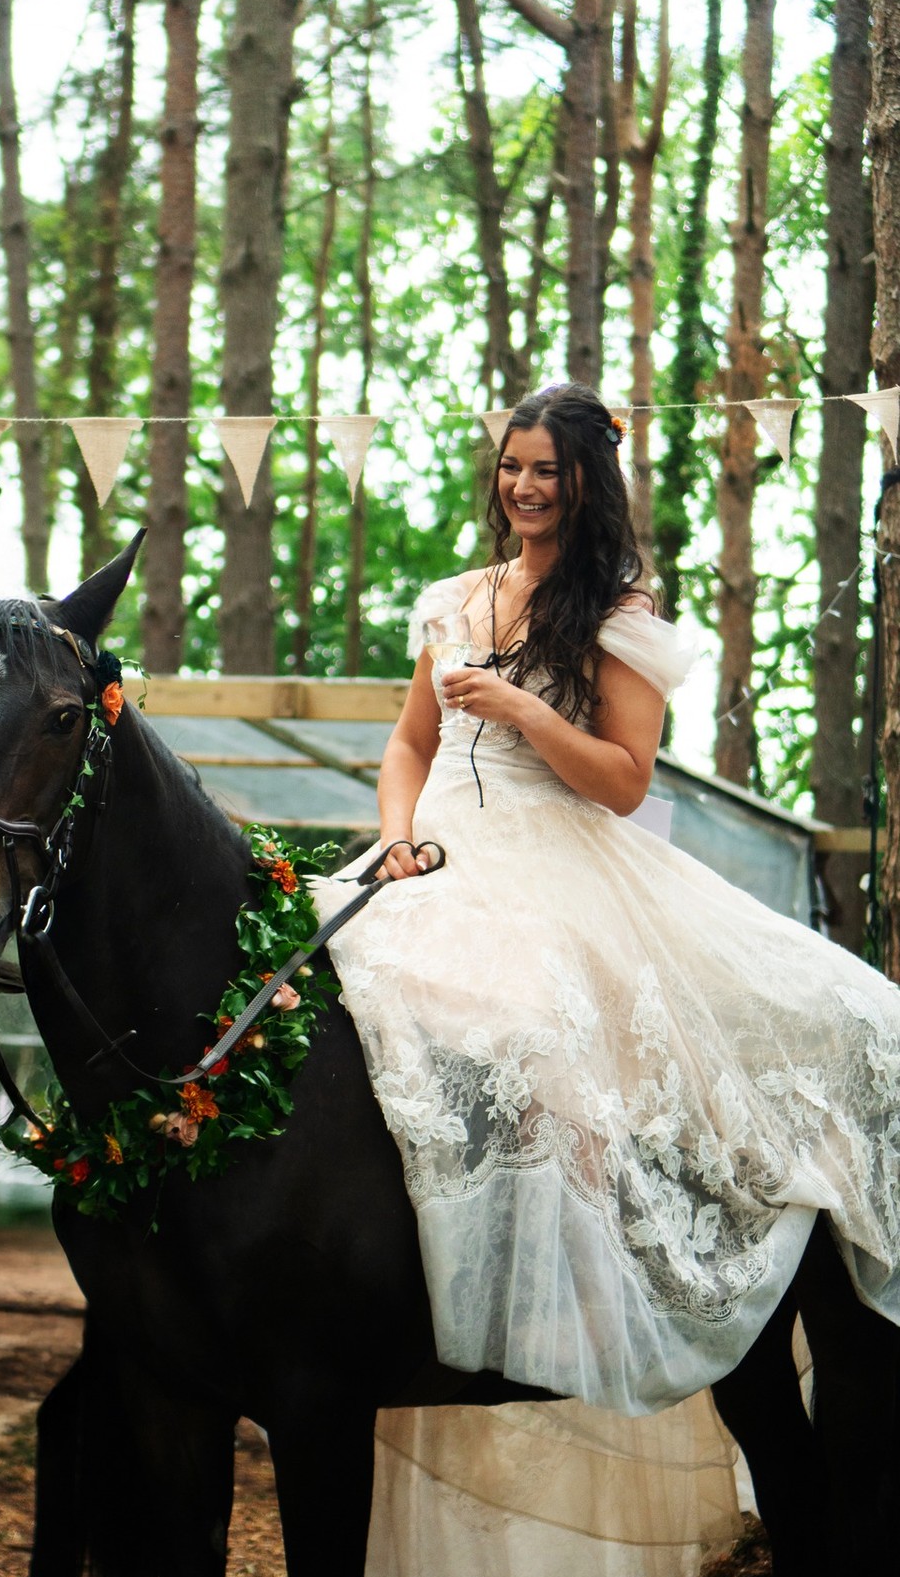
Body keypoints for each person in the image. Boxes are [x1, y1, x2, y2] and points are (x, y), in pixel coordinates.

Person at [313, 381, 900, 1421]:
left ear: (588, 480)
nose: (525, 486)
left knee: (538, 1029)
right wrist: (397, 837)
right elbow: (409, 743)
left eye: (547, 469)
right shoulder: (454, 600)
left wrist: (519, 710)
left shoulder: (622, 617)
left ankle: (574, 1282)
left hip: (556, 855)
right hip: (430, 848)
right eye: (513, 466)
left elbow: (626, 780)